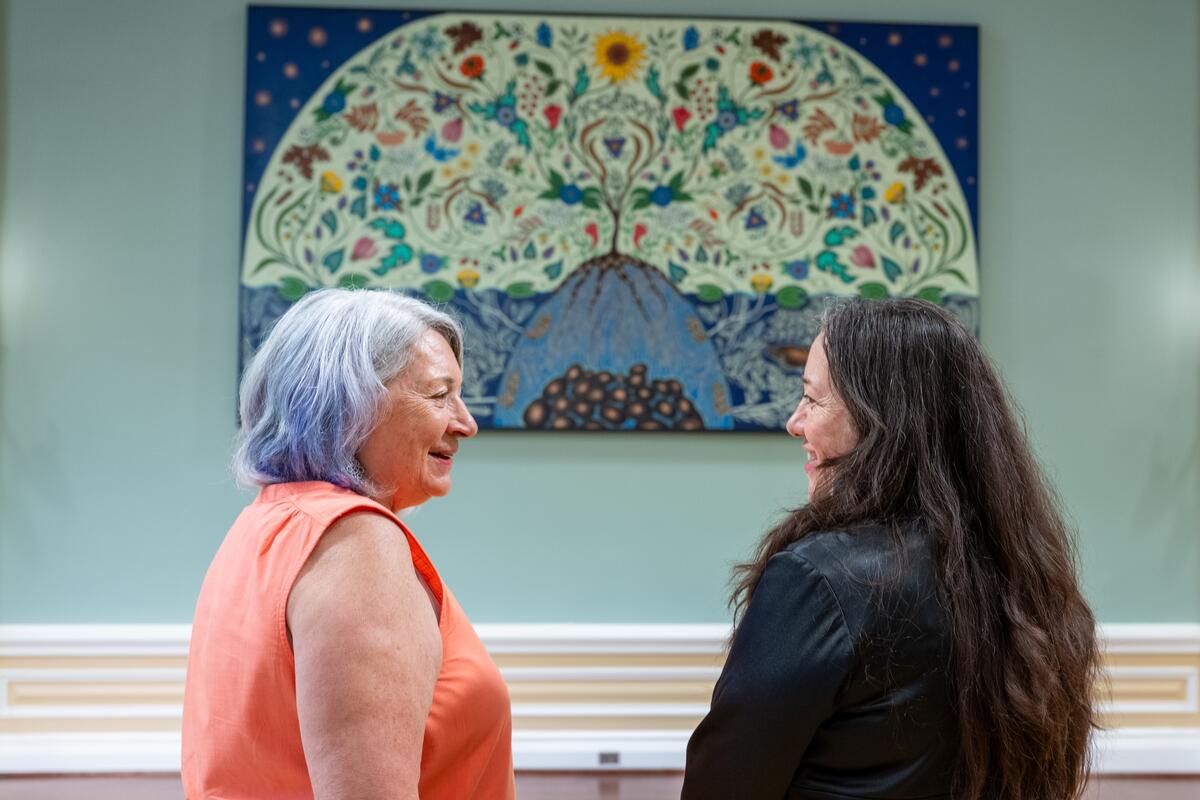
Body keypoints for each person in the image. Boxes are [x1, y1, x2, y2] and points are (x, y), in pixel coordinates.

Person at [682, 298, 1099, 800]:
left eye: (813, 400)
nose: (795, 422)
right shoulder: (1022, 573)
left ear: (879, 419)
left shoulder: (815, 579)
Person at [182, 289, 514, 800]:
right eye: (438, 394)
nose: (466, 423)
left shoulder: (267, 524)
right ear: (349, 401)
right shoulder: (356, 543)